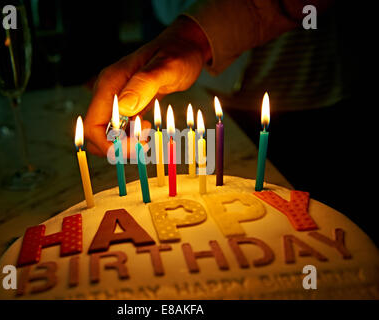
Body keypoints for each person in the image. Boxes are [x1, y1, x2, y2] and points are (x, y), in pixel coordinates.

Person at [84, 0, 377, 244]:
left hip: (318, 92)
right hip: (218, 88)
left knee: (320, 227)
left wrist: (191, 38)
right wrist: (189, 40)